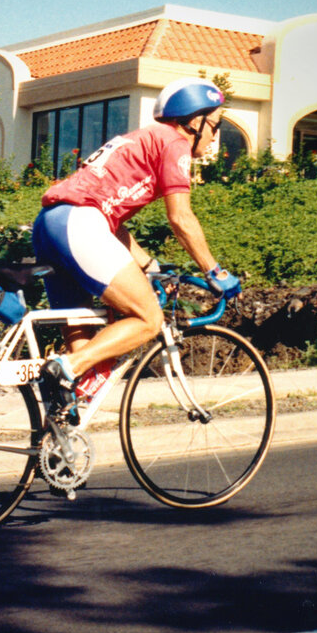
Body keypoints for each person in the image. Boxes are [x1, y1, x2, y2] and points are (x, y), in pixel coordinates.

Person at [32, 77, 242, 417]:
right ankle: (61, 369)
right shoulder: (174, 142)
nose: (215, 136)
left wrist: (149, 266)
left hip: (52, 224)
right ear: (193, 121)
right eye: (214, 126)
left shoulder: (142, 138)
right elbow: (181, 218)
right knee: (148, 318)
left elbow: (109, 220)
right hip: (81, 225)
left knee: (82, 335)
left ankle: (58, 444)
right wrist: (214, 271)